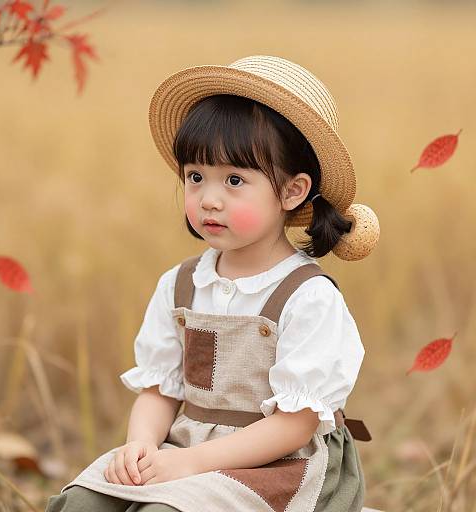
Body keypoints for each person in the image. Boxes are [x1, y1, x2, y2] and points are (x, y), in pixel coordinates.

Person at [45, 55, 379, 512]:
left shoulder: (309, 297)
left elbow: (294, 425)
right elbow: (161, 390)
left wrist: (190, 465)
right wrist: (141, 445)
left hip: (278, 464)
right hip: (186, 448)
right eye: (196, 177)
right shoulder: (181, 285)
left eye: (235, 180)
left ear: (291, 191)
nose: (209, 199)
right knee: (82, 503)